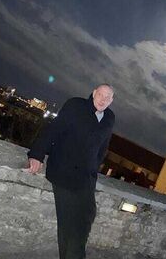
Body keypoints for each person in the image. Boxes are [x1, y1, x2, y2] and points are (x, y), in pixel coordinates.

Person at [27, 84, 115, 259]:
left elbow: (102, 147)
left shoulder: (109, 118)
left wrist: (94, 168)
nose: (103, 99)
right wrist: (37, 154)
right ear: (94, 93)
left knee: (87, 216)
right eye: (101, 95)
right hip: (63, 171)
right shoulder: (76, 105)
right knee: (69, 223)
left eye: (108, 97)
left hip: (86, 178)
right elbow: (54, 129)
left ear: (111, 101)